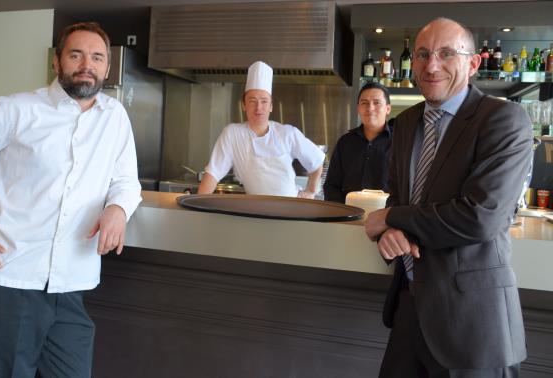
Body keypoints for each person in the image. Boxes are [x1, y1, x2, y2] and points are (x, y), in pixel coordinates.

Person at [0, 22, 142, 378]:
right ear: (57, 63)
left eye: (97, 57)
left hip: (72, 284)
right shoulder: (15, 110)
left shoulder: (115, 117)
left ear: (106, 67)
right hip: (11, 282)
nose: (87, 63)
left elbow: (126, 181)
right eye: (76, 54)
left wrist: (118, 208)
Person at [364, 18, 531, 377]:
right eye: (423, 54)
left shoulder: (503, 119)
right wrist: (391, 232)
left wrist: (390, 218)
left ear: (472, 64)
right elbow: (402, 197)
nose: (431, 64)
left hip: (472, 321)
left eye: (445, 53)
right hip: (410, 310)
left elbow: (481, 217)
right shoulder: (406, 122)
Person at [197, 61, 325, 198]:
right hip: (255, 210)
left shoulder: (287, 133)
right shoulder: (232, 134)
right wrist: (197, 206)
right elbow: (213, 173)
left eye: (264, 101)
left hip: (290, 208)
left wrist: (310, 191)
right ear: (244, 105)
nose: (258, 108)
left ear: (271, 106)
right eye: (252, 101)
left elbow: (316, 162)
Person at [324, 82, 393, 203]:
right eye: (364, 103)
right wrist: (343, 213)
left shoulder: (400, 142)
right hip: (349, 216)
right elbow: (331, 185)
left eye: (376, 103)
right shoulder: (345, 142)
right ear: (358, 108)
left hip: (386, 218)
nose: (370, 108)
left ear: (388, 109)